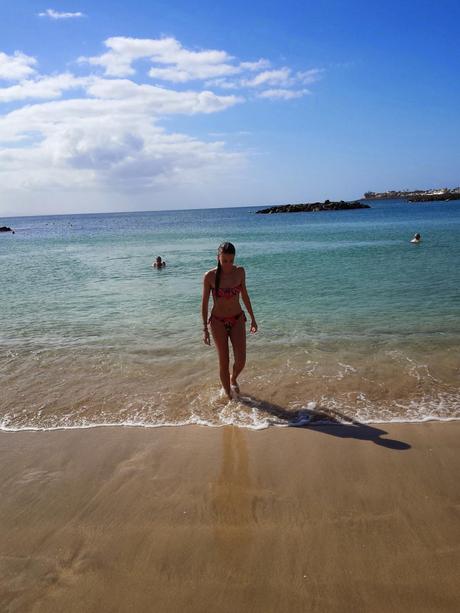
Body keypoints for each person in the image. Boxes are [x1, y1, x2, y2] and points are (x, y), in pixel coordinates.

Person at [202, 242, 258, 401]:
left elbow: (245, 296)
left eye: (231, 261)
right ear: (218, 258)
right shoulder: (210, 277)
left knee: (241, 360)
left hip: (237, 319)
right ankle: (230, 398)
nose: (228, 264)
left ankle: (233, 378)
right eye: (224, 260)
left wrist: (253, 318)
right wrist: (204, 329)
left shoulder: (239, 272)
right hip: (217, 321)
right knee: (224, 361)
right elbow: (205, 303)